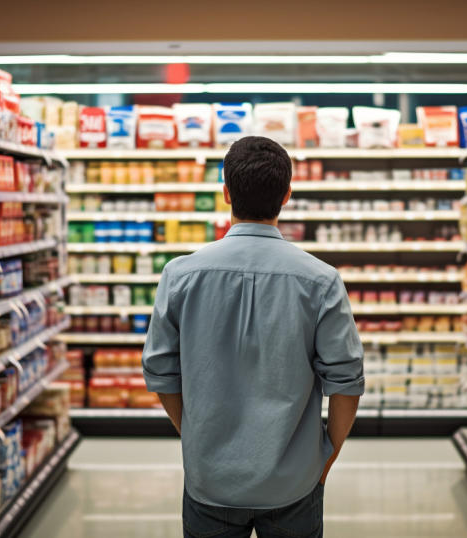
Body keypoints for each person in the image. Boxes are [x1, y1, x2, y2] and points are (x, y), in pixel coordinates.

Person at [142, 135, 364, 538]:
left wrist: (194, 434)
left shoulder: (180, 275)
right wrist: (325, 458)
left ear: (226, 193)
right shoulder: (321, 280)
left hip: (210, 480)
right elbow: (347, 383)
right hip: (293, 482)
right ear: (287, 196)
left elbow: (160, 372)